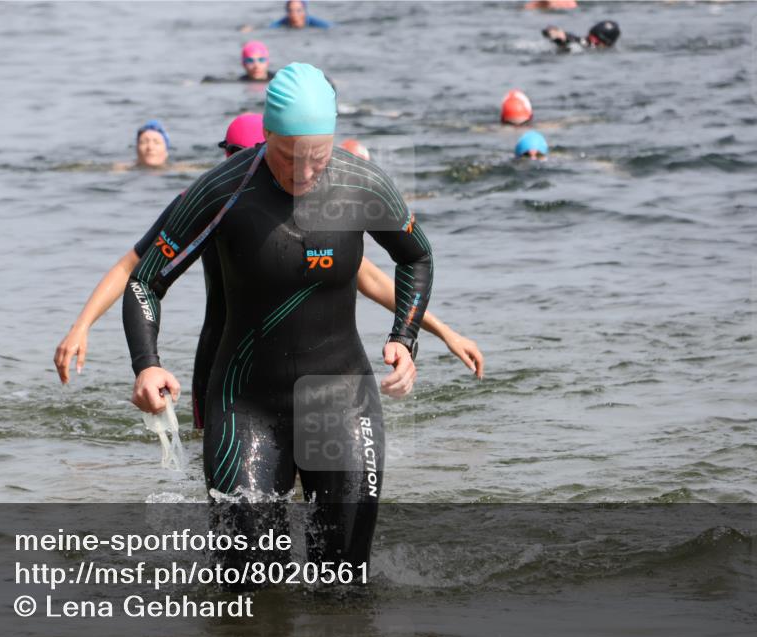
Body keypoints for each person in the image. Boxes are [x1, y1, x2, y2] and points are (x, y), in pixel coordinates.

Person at [122, 63, 430, 567]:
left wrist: (405, 336)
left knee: (344, 581)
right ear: (265, 136)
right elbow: (144, 280)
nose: (305, 172)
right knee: (246, 584)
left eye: (318, 156)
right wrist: (146, 363)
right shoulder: (223, 191)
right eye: (289, 157)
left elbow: (415, 255)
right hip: (246, 407)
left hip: (342, 402)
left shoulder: (362, 183)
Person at [56, 116, 482, 425]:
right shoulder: (208, 200)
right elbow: (136, 269)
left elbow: (369, 276)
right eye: (241, 159)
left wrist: (441, 332)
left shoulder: (308, 206)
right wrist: (82, 325)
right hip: (224, 365)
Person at [543, 20, 620, 51]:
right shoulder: (578, 41)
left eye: (596, 40)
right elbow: (563, 36)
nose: (592, 40)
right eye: (591, 37)